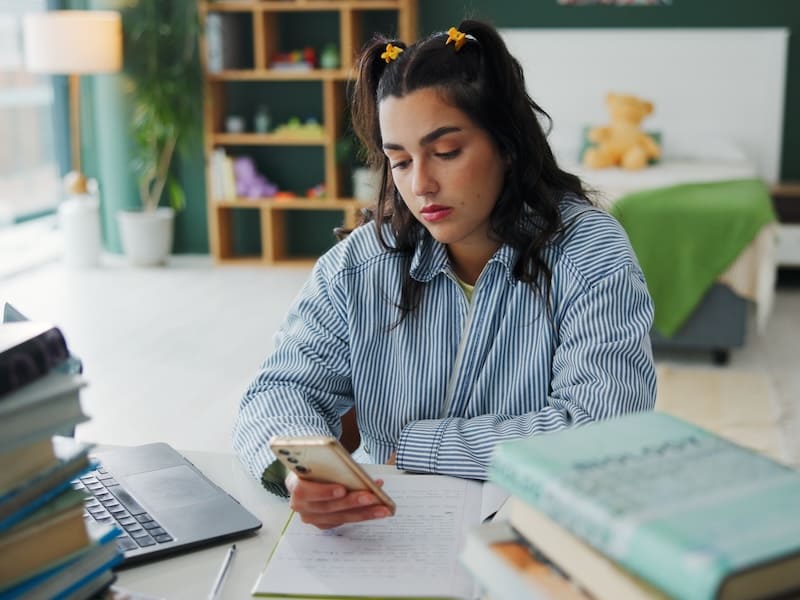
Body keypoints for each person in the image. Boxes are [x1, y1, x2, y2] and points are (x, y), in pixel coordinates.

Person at [233, 19, 656, 529]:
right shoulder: (360, 265)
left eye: (446, 152)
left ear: (507, 143)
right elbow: (277, 392)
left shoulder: (590, 254)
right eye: (400, 161)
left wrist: (416, 446)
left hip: (536, 533)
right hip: (388, 534)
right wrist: (302, 471)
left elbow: (600, 433)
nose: (422, 184)